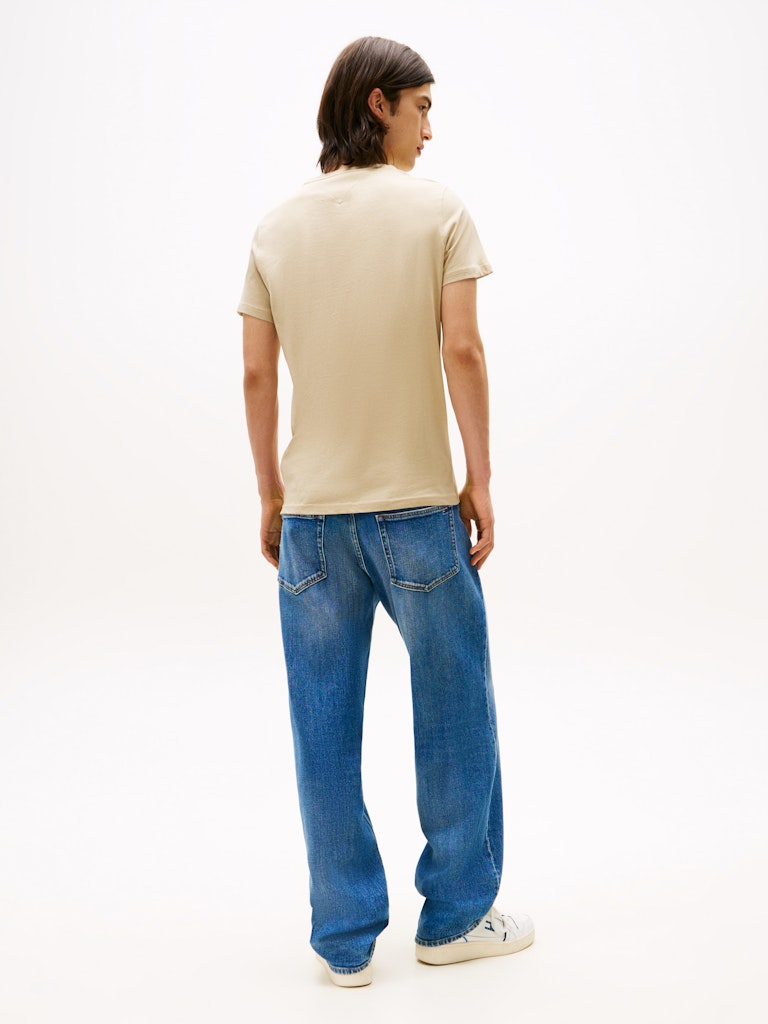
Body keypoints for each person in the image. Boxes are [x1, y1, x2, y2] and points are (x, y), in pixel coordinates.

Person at [238, 36, 533, 987]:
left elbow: (256, 374)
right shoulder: (437, 210)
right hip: (418, 517)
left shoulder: (275, 228)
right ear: (379, 105)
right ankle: (455, 916)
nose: (429, 129)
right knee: (456, 709)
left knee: (321, 727)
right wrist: (479, 477)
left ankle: (344, 939)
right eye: (422, 107)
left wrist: (271, 492)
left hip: (314, 522)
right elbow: (464, 350)